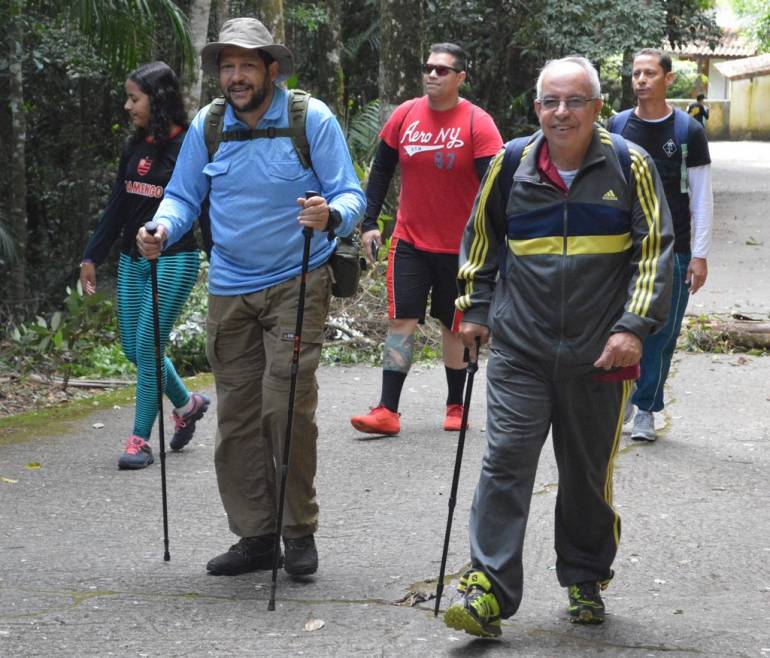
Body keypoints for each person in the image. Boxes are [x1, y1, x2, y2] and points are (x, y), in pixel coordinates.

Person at [443, 56, 674, 638]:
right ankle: (487, 591)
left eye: (574, 102)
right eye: (550, 102)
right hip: (522, 348)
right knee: (505, 464)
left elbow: (655, 250)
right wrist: (474, 308)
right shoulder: (512, 162)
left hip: (603, 354)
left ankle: (585, 577)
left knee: (586, 476)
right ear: (537, 106)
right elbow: (481, 239)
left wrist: (632, 326)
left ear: (598, 107)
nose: (561, 113)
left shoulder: (631, 164)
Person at [137, 18, 365, 577]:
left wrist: (330, 215)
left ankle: (297, 530)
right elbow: (184, 196)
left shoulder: (310, 118)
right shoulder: (209, 126)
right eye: (227, 67)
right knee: (237, 417)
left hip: (299, 279)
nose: (236, 77)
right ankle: (256, 535)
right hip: (230, 287)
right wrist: (161, 229)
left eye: (246, 65)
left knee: (284, 410)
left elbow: (350, 194)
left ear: (271, 68)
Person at [349, 43, 502, 437]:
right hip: (409, 241)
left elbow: (495, 187)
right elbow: (381, 170)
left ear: (461, 78)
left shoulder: (477, 122)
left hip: (462, 248)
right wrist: (370, 222)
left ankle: (456, 406)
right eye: (428, 68)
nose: (432, 75)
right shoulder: (405, 115)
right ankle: (387, 410)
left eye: (442, 70)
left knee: (455, 328)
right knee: (401, 321)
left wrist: (497, 243)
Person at [80, 62, 210, 470]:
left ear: (159, 99)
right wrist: (91, 256)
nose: (127, 105)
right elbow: (118, 205)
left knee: (151, 345)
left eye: (134, 98)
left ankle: (141, 440)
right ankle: (187, 405)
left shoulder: (190, 144)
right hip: (130, 259)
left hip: (176, 258)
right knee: (134, 349)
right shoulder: (135, 144)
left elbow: (204, 208)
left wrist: (221, 256)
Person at [609, 49, 713, 442]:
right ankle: (623, 401)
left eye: (650, 73)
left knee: (661, 333)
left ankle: (647, 408)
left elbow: (701, 197)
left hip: (673, 250)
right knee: (617, 325)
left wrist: (699, 255)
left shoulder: (688, 131)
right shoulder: (616, 126)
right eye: (636, 73)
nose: (641, 80)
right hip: (622, 249)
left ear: (668, 79)